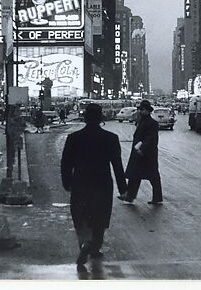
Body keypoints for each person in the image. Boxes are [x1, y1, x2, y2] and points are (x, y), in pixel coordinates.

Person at [61, 103, 127, 270]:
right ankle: (95, 248)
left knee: (80, 215)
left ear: (84, 117)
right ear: (101, 118)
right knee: (100, 217)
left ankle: (84, 242)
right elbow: (117, 165)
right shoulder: (111, 138)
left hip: (80, 182)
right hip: (102, 182)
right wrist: (123, 188)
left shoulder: (74, 138)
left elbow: (66, 163)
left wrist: (66, 182)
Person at [119, 100, 163, 204]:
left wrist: (142, 149)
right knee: (135, 175)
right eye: (139, 109)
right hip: (140, 153)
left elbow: (151, 139)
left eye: (142, 109)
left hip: (147, 154)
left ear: (147, 111)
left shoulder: (152, 123)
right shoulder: (142, 121)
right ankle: (130, 196)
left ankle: (156, 197)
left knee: (153, 176)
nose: (140, 111)